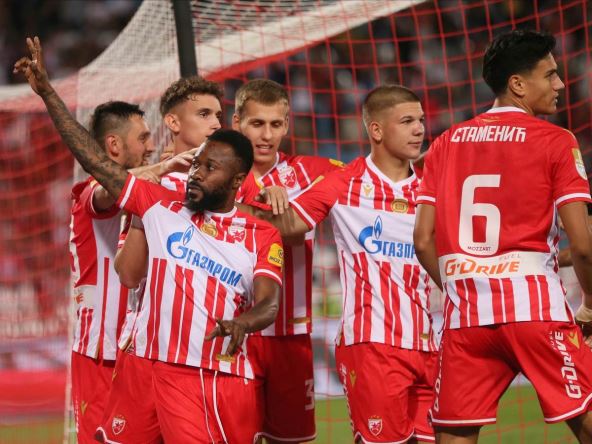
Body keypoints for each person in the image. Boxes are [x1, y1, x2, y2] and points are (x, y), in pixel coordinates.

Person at [15, 37, 283, 443]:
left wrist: (272, 193)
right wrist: (49, 94)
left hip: (210, 368)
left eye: (218, 115)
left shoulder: (256, 224)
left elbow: (269, 295)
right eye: (204, 114)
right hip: (136, 355)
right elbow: (98, 172)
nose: (215, 122)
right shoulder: (158, 202)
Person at [413, 29, 592, 444]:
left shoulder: (444, 142)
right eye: (550, 74)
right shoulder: (556, 140)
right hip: (535, 311)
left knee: (454, 434)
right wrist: (589, 304)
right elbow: (583, 245)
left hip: (467, 319)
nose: (560, 84)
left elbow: (423, 240)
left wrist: (462, 287)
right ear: (517, 84)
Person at [240, 84, 437, 443]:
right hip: (371, 343)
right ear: (376, 129)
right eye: (407, 121)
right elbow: (290, 226)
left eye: (420, 120)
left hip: (429, 344)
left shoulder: (431, 186)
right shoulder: (345, 182)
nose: (419, 129)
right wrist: (232, 205)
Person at [232, 78, 344, 443]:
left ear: (287, 125)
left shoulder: (310, 173)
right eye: (257, 123)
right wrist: (261, 198)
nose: (266, 135)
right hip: (234, 332)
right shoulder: (218, 174)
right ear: (237, 122)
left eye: (275, 124)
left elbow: (368, 174)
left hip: (290, 335)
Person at [63, 99, 155, 443]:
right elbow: (110, 190)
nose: (151, 147)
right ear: (114, 145)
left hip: (138, 350)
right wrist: (170, 165)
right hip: (100, 352)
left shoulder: (143, 194)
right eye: (142, 138)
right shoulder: (90, 193)